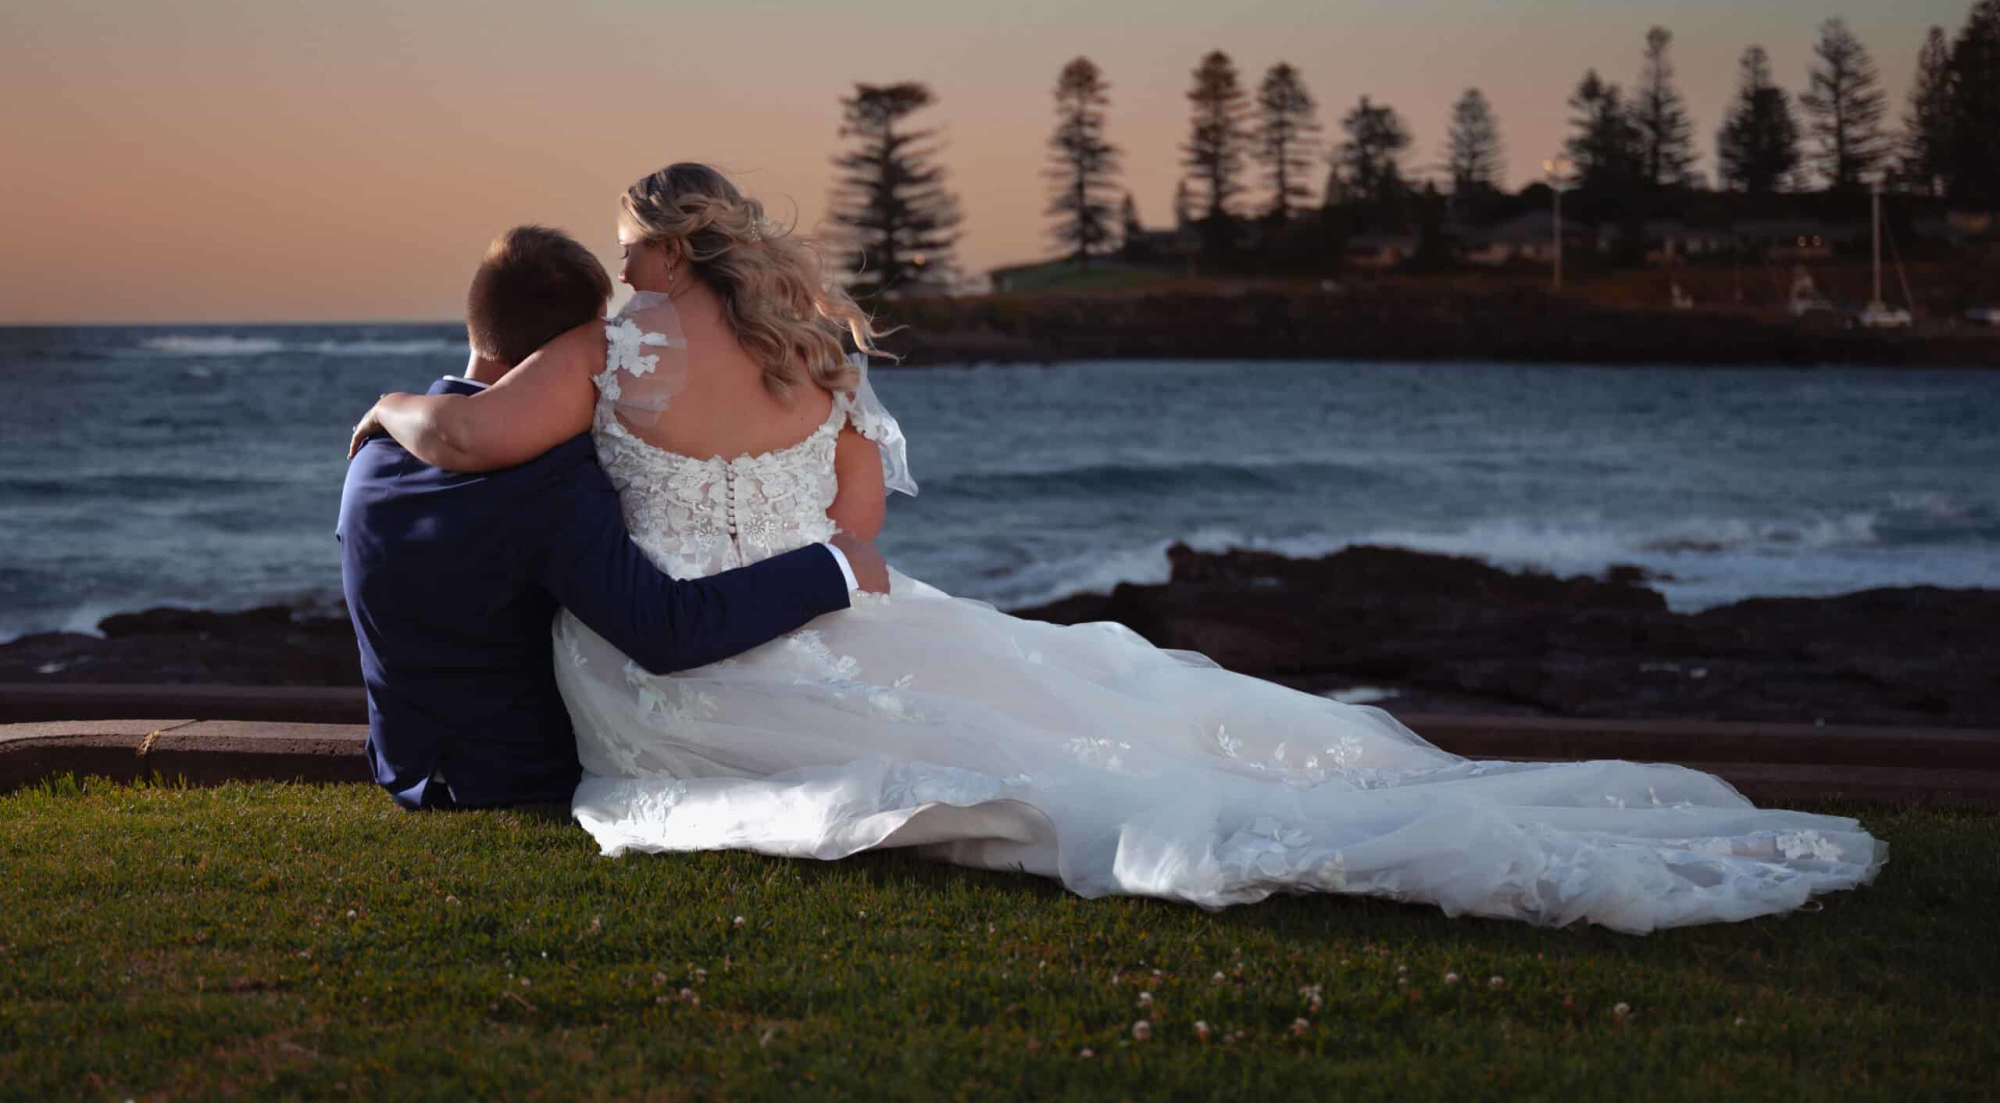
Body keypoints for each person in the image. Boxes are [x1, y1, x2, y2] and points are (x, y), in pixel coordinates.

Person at [350, 165, 1884, 932]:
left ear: (666, 244)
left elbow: (481, 437)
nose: (621, 267)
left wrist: (384, 407)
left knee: (1029, 776)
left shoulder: (621, 342)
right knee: (1087, 711)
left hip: (681, 669)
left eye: (630, 245)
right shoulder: (812, 345)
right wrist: (802, 565)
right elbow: (859, 536)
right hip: (849, 612)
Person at [338, 224, 885, 810]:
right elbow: (665, 631)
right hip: (524, 777)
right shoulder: (552, 479)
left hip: (407, 768)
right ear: (567, 350)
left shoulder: (372, 457)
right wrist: (831, 568)